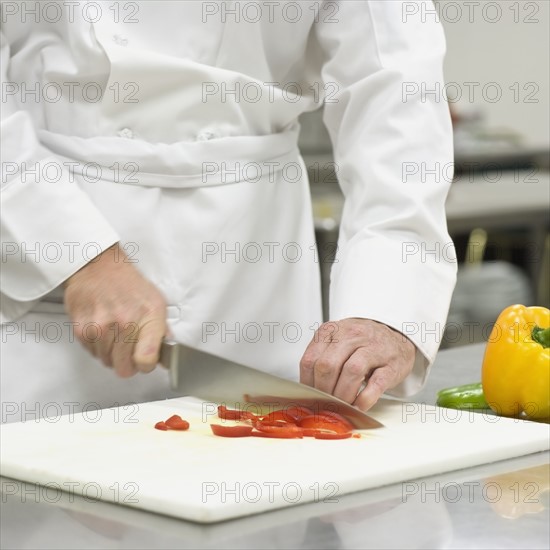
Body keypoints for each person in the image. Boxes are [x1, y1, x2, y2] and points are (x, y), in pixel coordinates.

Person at [0, 0, 456, 422]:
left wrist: (387, 304)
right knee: (45, 491)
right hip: (43, 237)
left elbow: (397, 85)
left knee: (269, 492)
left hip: (255, 280)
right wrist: (74, 251)